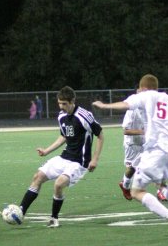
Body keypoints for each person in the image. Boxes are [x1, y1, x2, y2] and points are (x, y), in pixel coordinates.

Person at [93, 74, 168, 237]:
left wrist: (104, 106)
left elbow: (125, 104)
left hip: (154, 151)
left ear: (145, 88)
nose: (138, 92)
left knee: (137, 191)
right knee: (162, 185)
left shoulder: (146, 95)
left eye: (140, 89)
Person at [17, 86, 104, 227]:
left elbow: (100, 135)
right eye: (59, 103)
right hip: (64, 157)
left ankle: (54, 218)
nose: (61, 106)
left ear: (72, 101)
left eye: (64, 104)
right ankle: (20, 212)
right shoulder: (61, 116)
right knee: (37, 177)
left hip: (79, 162)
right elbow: (63, 136)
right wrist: (46, 151)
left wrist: (95, 159)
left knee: (58, 184)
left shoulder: (84, 116)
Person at [119, 91, 167, 202]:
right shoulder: (132, 110)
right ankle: (125, 185)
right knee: (131, 169)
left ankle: (160, 191)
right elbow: (126, 131)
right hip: (133, 144)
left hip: (147, 144)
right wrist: (144, 132)